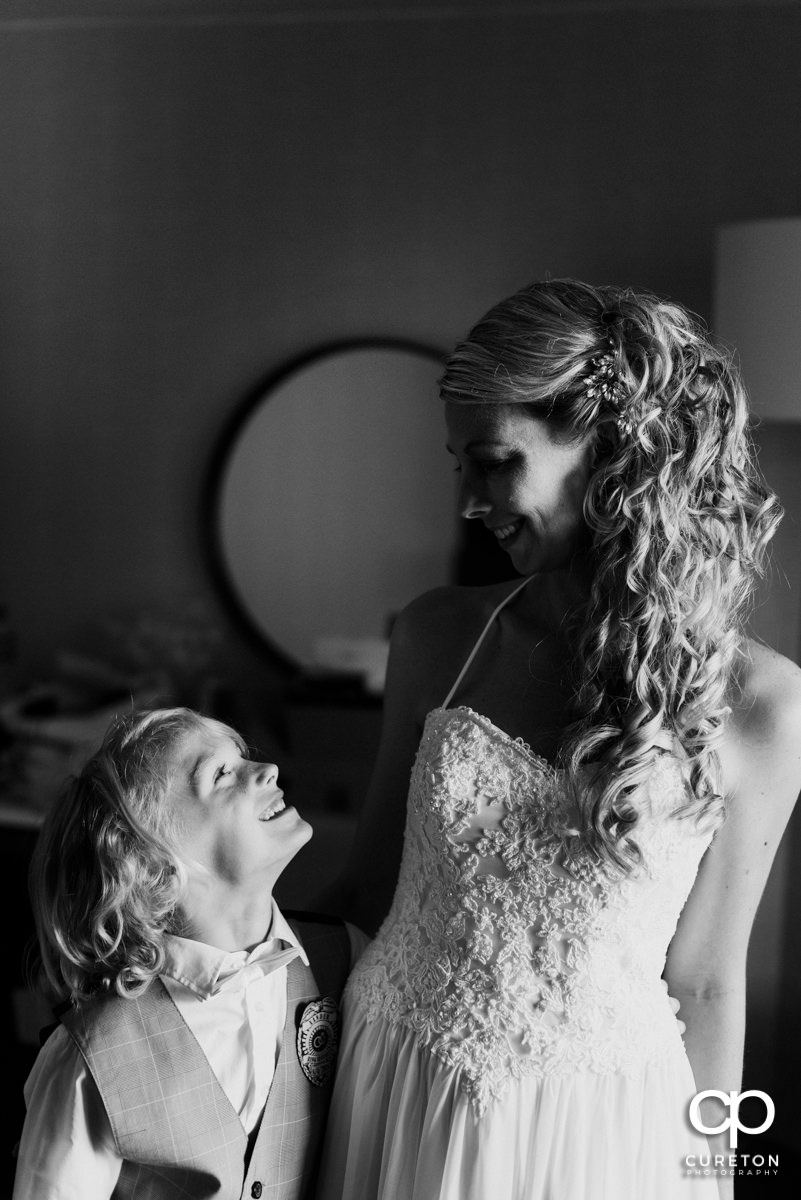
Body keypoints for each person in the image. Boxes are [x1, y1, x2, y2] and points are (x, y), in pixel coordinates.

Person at [315, 279, 801, 1200]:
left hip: (595, 1128)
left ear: (609, 451)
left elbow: (705, 985)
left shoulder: (763, 706)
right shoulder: (436, 636)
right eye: (458, 464)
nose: (468, 502)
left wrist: (713, 1172)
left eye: (495, 462)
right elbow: (364, 891)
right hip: (395, 1086)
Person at [13, 706, 367, 1200]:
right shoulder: (93, 1056)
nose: (267, 770)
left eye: (244, 757)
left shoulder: (349, 958)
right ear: (156, 861)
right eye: (222, 773)